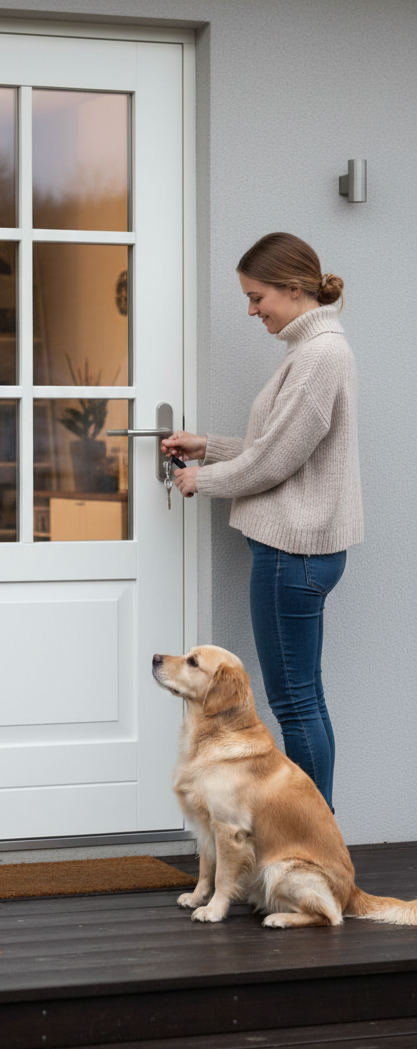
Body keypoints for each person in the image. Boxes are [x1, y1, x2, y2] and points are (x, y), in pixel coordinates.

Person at [162, 232, 363, 811]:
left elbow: (276, 460)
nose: (252, 311)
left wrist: (204, 481)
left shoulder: (320, 355)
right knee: (303, 698)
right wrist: (209, 447)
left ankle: (310, 842)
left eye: (257, 298)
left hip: (291, 555)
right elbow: (274, 444)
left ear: (294, 289)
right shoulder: (312, 351)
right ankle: (315, 837)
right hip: (298, 554)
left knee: (296, 702)